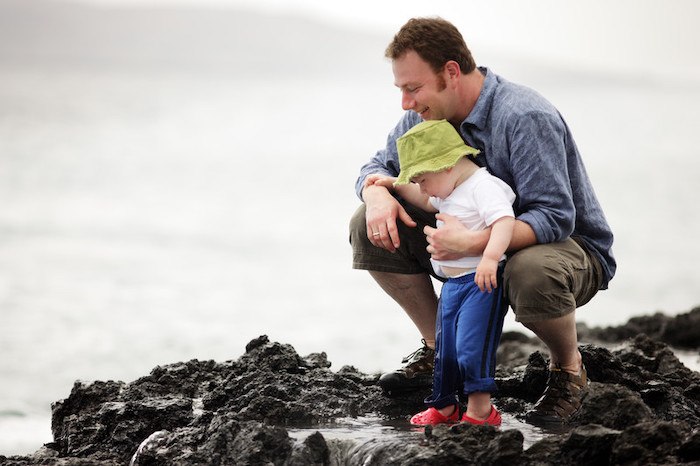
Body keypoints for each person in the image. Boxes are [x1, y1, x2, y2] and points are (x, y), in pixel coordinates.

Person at [349, 17, 616, 425]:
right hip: (475, 247)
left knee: (529, 271)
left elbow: (555, 217)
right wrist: (375, 193)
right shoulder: (424, 118)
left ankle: (568, 369)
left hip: (564, 250)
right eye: (401, 89)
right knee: (366, 223)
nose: (406, 103)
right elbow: (376, 166)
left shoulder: (523, 116)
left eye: (413, 88)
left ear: (451, 72)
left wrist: (476, 244)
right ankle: (442, 351)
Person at [366, 119, 515, 426]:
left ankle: (481, 412)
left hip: (480, 281)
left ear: (447, 165)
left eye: (422, 178)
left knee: (471, 346)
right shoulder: (449, 188)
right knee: (444, 349)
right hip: (453, 284)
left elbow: (504, 222)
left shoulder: (483, 187)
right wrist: (392, 184)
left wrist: (489, 258)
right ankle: (445, 406)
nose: (421, 187)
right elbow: (424, 199)